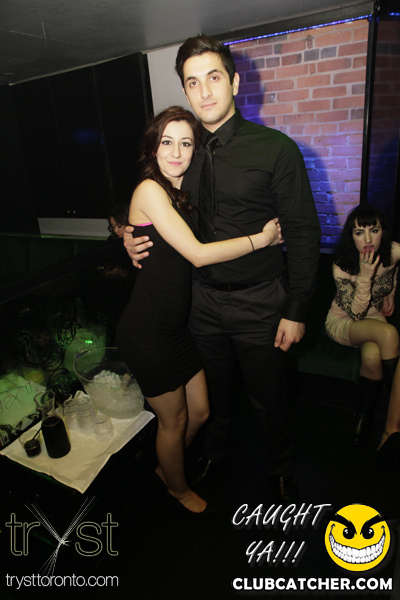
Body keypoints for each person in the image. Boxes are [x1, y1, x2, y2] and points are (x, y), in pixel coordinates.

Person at [124, 35, 321, 502]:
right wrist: (128, 236)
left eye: (213, 77)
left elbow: (303, 231)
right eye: (192, 82)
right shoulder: (182, 153)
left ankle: (280, 470)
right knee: (213, 396)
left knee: (269, 396)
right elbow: (148, 205)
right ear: (185, 90)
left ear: (233, 82)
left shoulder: (275, 149)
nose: (204, 90)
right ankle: (215, 459)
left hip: (260, 300)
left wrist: (296, 309)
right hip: (198, 301)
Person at [116, 106, 283, 516]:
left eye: (186, 143)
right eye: (166, 142)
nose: (176, 152)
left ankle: (168, 463)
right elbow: (197, 254)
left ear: (195, 149)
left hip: (176, 331)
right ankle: (175, 486)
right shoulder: (150, 190)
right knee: (173, 422)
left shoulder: (179, 192)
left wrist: (126, 234)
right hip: (147, 332)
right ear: (152, 148)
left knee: (202, 411)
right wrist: (261, 240)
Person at [325, 204, 400, 445]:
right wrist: (366, 276)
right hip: (345, 321)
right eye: (359, 232)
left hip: (374, 318)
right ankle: (395, 421)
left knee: (372, 359)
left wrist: (391, 293)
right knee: (389, 334)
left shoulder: (393, 252)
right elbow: (356, 314)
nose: (368, 239)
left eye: (374, 230)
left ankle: (363, 419)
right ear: (351, 236)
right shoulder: (342, 265)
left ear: (383, 232)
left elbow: (394, 269)